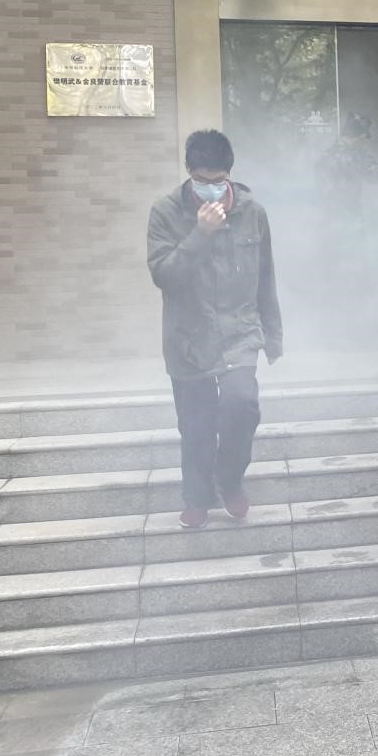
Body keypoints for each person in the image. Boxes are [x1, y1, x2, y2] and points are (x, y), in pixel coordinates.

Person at [146, 129, 283, 529]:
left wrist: (273, 334)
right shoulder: (165, 212)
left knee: (242, 405)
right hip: (188, 336)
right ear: (189, 172)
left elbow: (266, 275)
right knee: (196, 425)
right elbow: (164, 275)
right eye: (202, 180)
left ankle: (230, 479)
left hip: (240, 331)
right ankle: (197, 498)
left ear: (229, 175)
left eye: (218, 180)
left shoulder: (252, 211)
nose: (210, 188)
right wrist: (200, 234)